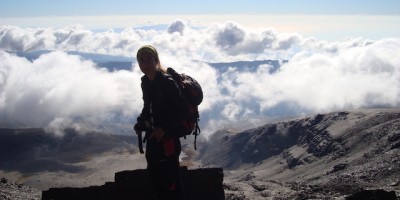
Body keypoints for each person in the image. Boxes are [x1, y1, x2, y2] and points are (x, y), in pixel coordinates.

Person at [134, 45, 186, 200]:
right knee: (157, 180)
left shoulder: (167, 82)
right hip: (153, 139)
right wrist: (141, 124)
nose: (145, 63)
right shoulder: (146, 82)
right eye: (141, 60)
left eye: (148, 59)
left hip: (168, 140)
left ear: (156, 60)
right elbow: (148, 108)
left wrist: (164, 129)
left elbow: (182, 111)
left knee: (171, 183)